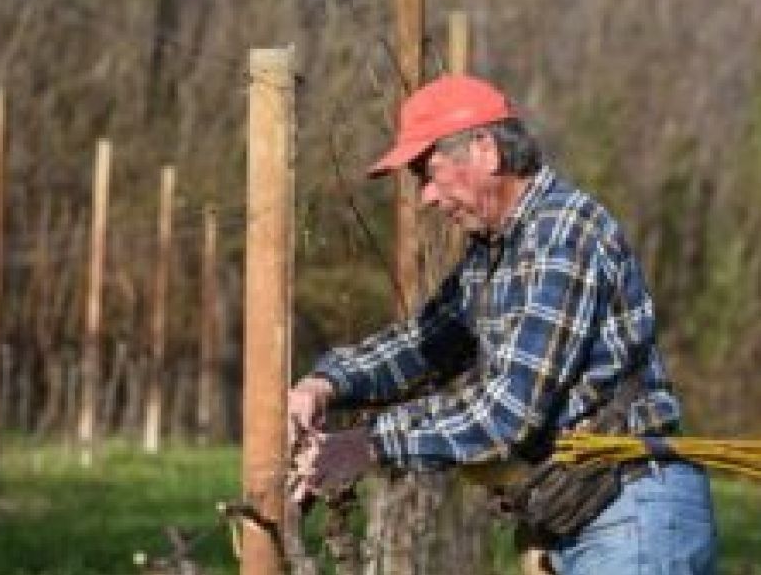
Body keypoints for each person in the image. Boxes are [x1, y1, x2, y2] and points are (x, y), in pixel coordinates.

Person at [288, 75, 717, 574]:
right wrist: (325, 385)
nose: (425, 196)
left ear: (485, 151)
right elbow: (422, 344)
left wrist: (369, 445)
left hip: (631, 515)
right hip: (585, 515)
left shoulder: (561, 237)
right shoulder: (496, 252)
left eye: (429, 172)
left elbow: (508, 413)